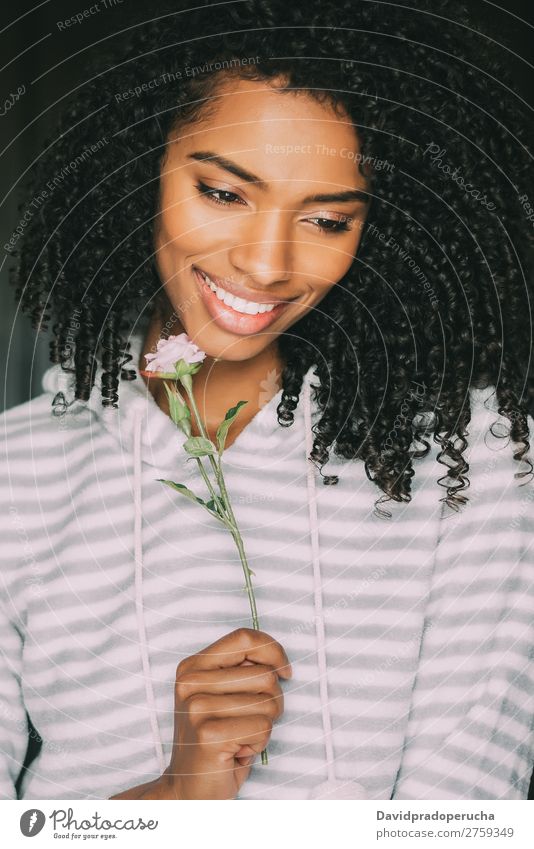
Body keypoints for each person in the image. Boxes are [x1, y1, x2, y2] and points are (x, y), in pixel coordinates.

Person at [1, 0, 533, 800]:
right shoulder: (19, 472)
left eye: (325, 218)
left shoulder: (478, 453)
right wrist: (177, 797)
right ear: (137, 165)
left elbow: (468, 812)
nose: (265, 263)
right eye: (222, 193)